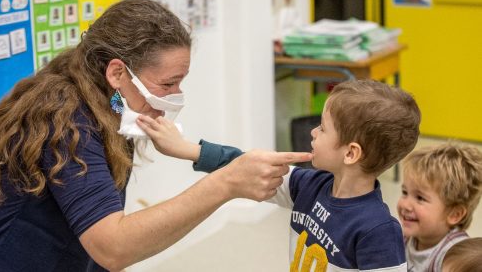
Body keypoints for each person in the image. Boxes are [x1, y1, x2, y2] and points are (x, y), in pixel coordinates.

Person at [0, 0, 312, 271]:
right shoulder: (61, 119)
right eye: (168, 83)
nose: (172, 98)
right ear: (117, 72)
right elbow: (112, 246)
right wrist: (224, 185)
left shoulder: (110, 105)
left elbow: (96, 237)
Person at [137, 79, 421, 271]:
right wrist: (187, 149)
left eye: (322, 128)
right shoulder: (310, 185)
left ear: (351, 153)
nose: (313, 132)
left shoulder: (379, 231)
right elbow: (244, 165)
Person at [397, 142, 482, 271]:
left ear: (455, 214)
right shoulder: (406, 238)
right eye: (405, 193)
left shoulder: (458, 259)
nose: (405, 204)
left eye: (420, 198)